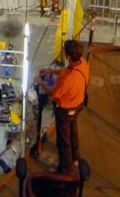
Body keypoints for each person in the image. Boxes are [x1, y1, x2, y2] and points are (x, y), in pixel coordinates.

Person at [38, 39, 89, 174]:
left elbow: (53, 93)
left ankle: (65, 168)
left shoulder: (66, 79)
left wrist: (39, 81)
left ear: (68, 56)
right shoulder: (83, 63)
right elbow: (67, 70)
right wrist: (51, 71)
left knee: (64, 140)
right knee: (73, 132)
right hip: (78, 105)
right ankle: (76, 158)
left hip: (65, 111)